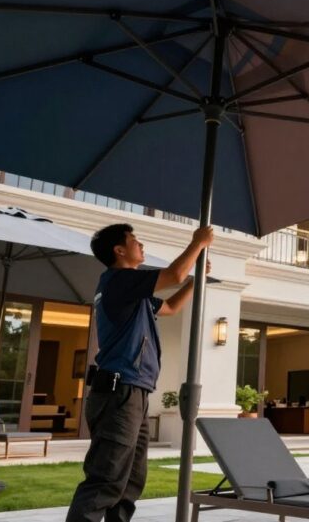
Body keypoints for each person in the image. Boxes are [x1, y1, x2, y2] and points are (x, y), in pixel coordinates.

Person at [67, 223, 214, 522]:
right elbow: (173, 274)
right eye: (135, 241)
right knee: (107, 478)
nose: (141, 245)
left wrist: (198, 281)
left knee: (131, 480)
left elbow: (171, 307)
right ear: (119, 250)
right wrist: (198, 242)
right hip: (119, 392)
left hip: (134, 392)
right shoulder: (120, 281)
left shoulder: (134, 293)